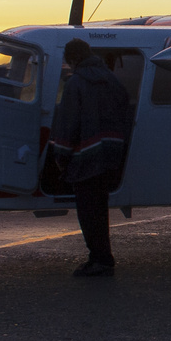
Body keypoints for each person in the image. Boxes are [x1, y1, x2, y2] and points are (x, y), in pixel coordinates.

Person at [48, 38, 132, 277]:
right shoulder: (113, 80)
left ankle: (101, 259)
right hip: (112, 154)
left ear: (73, 60)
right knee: (100, 209)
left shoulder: (76, 84)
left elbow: (68, 123)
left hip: (86, 158)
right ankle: (102, 256)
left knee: (88, 212)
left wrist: (61, 156)